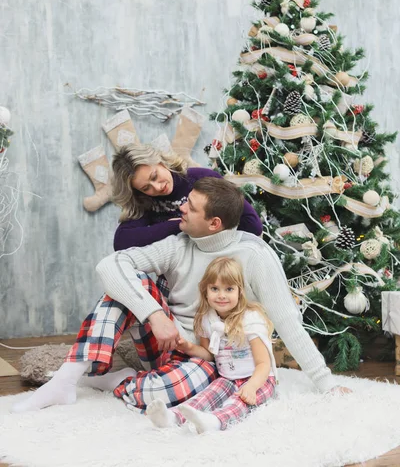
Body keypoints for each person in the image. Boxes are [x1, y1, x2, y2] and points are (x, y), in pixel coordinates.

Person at [12, 178, 349, 414]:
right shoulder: (178, 244)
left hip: (208, 357)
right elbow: (109, 265)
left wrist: (325, 383)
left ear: (214, 223)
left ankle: (115, 379)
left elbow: (288, 321)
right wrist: (154, 315)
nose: (181, 208)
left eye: (191, 206)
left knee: (158, 394)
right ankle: (65, 380)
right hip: (165, 341)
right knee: (127, 284)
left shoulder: (255, 256)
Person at [146, 257, 277, 433]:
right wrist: (189, 348)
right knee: (207, 395)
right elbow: (210, 354)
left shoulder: (250, 319)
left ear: (240, 292)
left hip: (259, 380)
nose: (221, 295)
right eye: (215, 289)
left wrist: (252, 387)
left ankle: (213, 422)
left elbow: (263, 363)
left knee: (238, 403)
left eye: (229, 289)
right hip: (227, 377)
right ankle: (173, 417)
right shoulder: (207, 319)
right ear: (205, 290)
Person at [111, 143, 263, 250]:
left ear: (160, 162)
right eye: (146, 187)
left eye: (155, 176)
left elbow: (252, 224)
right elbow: (122, 241)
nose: (157, 187)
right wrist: (178, 225)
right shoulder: (146, 200)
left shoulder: (202, 178)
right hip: (176, 273)